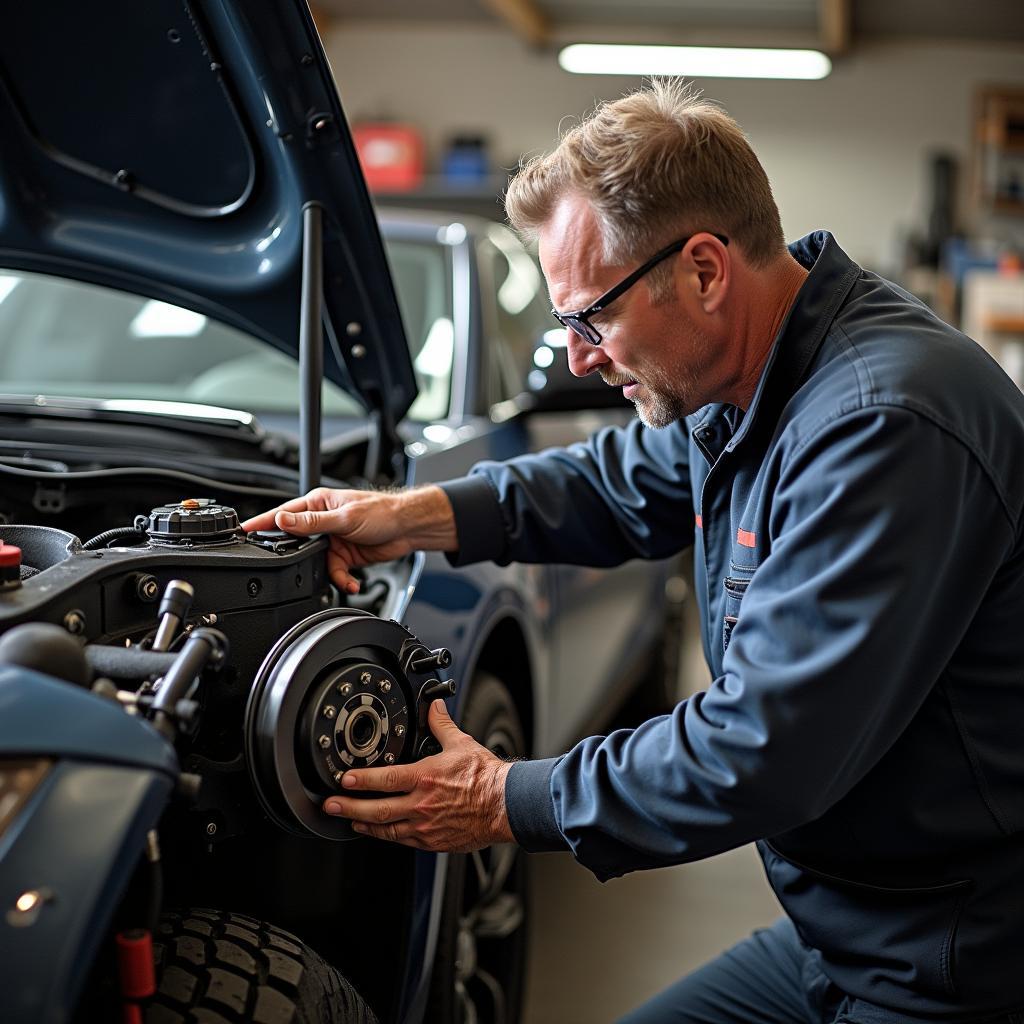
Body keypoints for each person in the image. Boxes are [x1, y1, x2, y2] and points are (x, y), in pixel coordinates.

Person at [242, 81, 1024, 1023]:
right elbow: (618, 481)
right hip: (847, 930)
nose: (576, 358)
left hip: (959, 962)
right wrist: (408, 516)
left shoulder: (881, 426)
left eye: (591, 321)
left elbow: (760, 749)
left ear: (703, 270)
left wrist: (505, 798)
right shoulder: (752, 379)